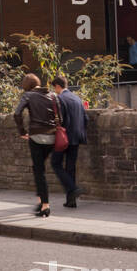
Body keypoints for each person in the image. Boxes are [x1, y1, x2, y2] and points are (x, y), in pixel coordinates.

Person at [13, 73, 60, 217]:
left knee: (39, 171)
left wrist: (22, 131)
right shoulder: (53, 95)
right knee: (37, 169)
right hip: (52, 136)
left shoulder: (28, 95)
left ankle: (45, 205)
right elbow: (61, 116)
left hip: (36, 136)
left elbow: (17, 114)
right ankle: (41, 201)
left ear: (27, 85)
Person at [50, 75, 88, 208]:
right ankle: (71, 200)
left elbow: (58, 119)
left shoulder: (60, 99)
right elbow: (85, 118)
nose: (54, 90)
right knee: (70, 167)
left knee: (55, 163)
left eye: (54, 88)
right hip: (76, 137)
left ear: (58, 86)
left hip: (64, 138)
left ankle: (72, 188)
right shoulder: (77, 98)